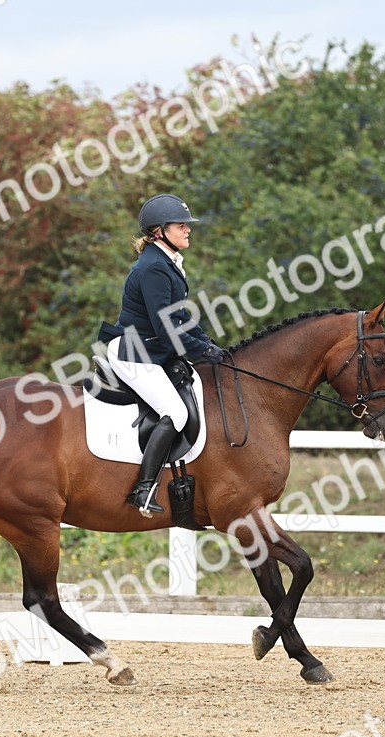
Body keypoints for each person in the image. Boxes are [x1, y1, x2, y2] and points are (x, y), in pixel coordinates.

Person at [103, 193, 225, 517]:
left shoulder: (167, 262)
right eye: (181, 225)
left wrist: (208, 343)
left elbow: (181, 317)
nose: (188, 230)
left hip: (153, 348)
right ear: (159, 231)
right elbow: (165, 324)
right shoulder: (155, 268)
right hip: (135, 352)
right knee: (176, 412)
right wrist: (199, 349)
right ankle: (143, 490)